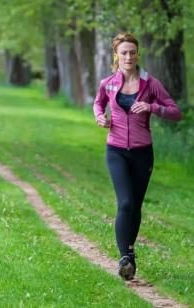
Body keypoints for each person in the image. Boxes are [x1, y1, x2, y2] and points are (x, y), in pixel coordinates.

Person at [93, 33, 182, 281]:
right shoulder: (108, 83)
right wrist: (100, 117)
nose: (129, 56)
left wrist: (152, 107)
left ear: (138, 54)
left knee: (136, 205)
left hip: (143, 152)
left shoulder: (150, 84)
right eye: (124, 52)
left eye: (132, 52)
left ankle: (129, 254)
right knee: (125, 203)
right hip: (116, 150)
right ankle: (125, 256)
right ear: (116, 56)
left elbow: (176, 112)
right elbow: (98, 104)